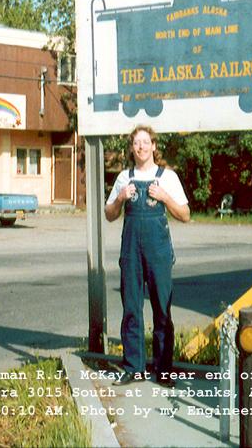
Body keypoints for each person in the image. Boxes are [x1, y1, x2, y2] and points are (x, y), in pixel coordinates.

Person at [105, 125, 190, 387]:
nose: (141, 147)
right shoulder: (123, 178)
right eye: (136, 143)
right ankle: (133, 367)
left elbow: (185, 215)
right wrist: (119, 199)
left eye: (145, 142)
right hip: (131, 250)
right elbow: (109, 215)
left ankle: (164, 370)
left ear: (154, 146)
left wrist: (164, 197)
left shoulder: (168, 177)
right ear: (132, 148)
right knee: (131, 308)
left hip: (159, 251)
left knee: (161, 309)